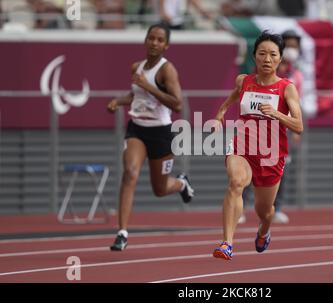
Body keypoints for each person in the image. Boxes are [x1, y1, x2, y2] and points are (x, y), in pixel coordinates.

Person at [211, 30, 304, 260]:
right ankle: (227, 244)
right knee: (236, 182)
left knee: (265, 211)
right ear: (254, 56)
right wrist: (218, 116)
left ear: (280, 58)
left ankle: (264, 230)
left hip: (271, 155)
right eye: (262, 53)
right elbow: (230, 100)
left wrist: (276, 114)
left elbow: (298, 125)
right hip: (242, 145)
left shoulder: (286, 88)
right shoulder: (244, 81)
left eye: (273, 54)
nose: (267, 59)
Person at [107, 23, 194, 251]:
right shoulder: (136, 67)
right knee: (130, 173)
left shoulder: (167, 70)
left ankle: (182, 183)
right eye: (151, 38)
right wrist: (119, 101)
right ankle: (122, 233)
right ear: (145, 40)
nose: (154, 43)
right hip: (137, 128)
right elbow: (136, 95)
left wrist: (149, 85)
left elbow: (177, 103)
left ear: (166, 45)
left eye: (159, 40)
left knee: (160, 189)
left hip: (161, 133)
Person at [238, 29, 304, 225]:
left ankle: (277, 208)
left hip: (279, 132)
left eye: (295, 46)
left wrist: (291, 124)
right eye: (289, 44)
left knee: (280, 169)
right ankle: (241, 207)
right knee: (245, 169)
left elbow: (296, 107)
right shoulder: (260, 71)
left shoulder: (296, 76)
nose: (292, 50)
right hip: (253, 130)